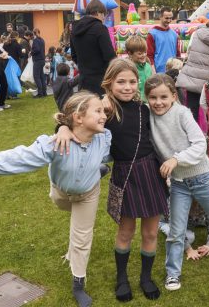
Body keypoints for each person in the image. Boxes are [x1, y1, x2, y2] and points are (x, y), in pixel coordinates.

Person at [0, 91, 111, 307]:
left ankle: (78, 284)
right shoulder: (56, 144)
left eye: (104, 111)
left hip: (88, 192)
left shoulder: (105, 137)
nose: (104, 115)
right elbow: (18, 156)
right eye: (97, 111)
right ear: (78, 117)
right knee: (64, 205)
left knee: (81, 235)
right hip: (61, 192)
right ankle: (97, 170)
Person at [56, 58, 167, 302]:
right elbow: (75, 122)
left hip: (150, 172)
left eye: (132, 82)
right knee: (125, 231)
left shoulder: (144, 109)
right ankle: (122, 278)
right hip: (125, 175)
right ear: (109, 83)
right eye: (121, 82)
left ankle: (146, 278)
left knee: (150, 232)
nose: (127, 87)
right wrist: (62, 129)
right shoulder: (104, 110)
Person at [144, 74, 209, 291]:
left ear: (173, 96)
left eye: (163, 96)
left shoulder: (182, 113)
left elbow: (200, 145)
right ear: (147, 98)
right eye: (153, 97)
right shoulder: (147, 115)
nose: (158, 102)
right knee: (176, 231)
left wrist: (176, 159)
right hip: (179, 183)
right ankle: (172, 273)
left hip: (202, 177)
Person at [176, 13, 209, 123]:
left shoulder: (196, 33)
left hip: (192, 76)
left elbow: (189, 51)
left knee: (192, 110)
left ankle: (191, 136)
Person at [71, 0, 117, 95]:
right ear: (97, 13)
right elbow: (109, 56)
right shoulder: (100, 28)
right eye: (103, 14)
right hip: (100, 80)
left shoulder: (74, 29)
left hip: (83, 80)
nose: (104, 18)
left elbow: (74, 55)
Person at [146, 7, 180, 73]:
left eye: (171, 18)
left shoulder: (174, 34)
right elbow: (149, 56)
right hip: (159, 72)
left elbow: (177, 54)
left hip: (173, 72)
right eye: (166, 18)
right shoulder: (152, 34)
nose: (169, 20)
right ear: (160, 17)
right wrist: (153, 72)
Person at [125, 35, 153, 102]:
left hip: (148, 102)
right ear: (130, 54)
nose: (144, 55)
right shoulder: (127, 69)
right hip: (135, 103)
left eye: (145, 52)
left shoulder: (148, 67)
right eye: (140, 53)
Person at [28, 29, 46, 98]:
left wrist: (31, 52)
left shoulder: (35, 40)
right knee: (41, 77)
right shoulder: (42, 39)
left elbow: (37, 49)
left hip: (37, 60)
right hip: (42, 60)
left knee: (36, 77)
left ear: (34, 33)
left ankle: (40, 93)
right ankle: (44, 92)